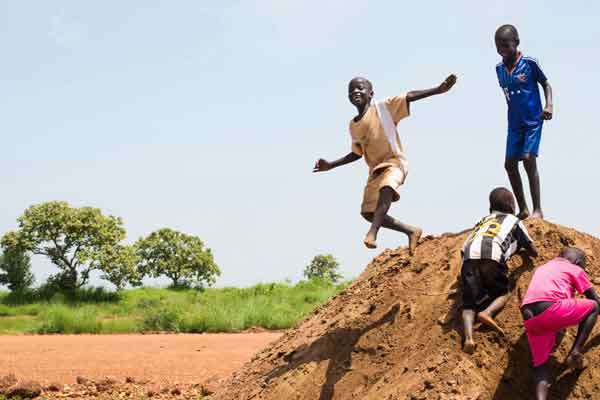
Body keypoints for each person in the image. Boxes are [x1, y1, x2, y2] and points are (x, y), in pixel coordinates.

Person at [313, 74, 457, 252]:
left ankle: (372, 233)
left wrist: (437, 90)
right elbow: (357, 153)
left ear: (371, 93)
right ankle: (411, 231)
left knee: (387, 187)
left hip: (394, 162)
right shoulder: (353, 125)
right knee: (368, 213)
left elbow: (408, 96)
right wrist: (331, 165)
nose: (356, 92)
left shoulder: (383, 108)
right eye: (351, 90)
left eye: (360, 88)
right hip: (375, 170)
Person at [461, 187, 538, 354]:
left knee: (468, 304)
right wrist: (531, 252)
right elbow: (531, 248)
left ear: (491, 208)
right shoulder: (514, 220)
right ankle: (487, 313)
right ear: (512, 206)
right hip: (493, 256)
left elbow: (464, 247)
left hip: (469, 257)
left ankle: (468, 338)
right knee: (504, 291)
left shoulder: (482, 221)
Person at [521, 247, 600, 400]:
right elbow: (595, 300)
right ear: (578, 262)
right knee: (594, 307)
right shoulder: (574, 269)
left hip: (529, 315)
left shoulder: (543, 267)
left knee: (541, 365)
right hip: (550, 308)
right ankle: (575, 352)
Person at [495, 24, 553, 220]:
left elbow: (546, 83)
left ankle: (538, 209)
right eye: (498, 46)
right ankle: (523, 208)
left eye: (506, 45)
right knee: (509, 164)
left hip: (532, 120)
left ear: (516, 42)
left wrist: (549, 105)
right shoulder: (499, 69)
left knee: (528, 159)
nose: (502, 49)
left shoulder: (529, 63)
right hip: (514, 123)